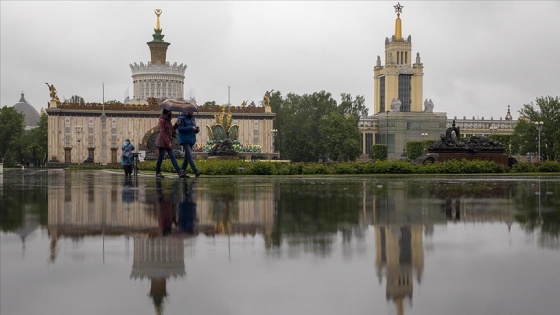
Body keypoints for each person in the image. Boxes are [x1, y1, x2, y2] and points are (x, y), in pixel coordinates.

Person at [156, 109, 188, 178]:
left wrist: (177, 124)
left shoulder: (168, 120)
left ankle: (179, 171)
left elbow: (171, 130)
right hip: (162, 142)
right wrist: (168, 142)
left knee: (173, 157)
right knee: (160, 158)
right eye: (170, 112)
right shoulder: (161, 120)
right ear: (166, 113)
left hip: (168, 142)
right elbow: (163, 132)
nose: (171, 113)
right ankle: (158, 172)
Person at [176, 112, 201, 177]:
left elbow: (194, 130)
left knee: (187, 157)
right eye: (191, 111)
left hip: (191, 139)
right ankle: (196, 171)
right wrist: (191, 128)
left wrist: (197, 130)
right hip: (185, 139)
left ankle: (183, 171)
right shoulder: (181, 118)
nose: (192, 113)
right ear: (186, 111)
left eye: (192, 112)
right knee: (190, 155)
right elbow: (180, 129)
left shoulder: (192, 119)